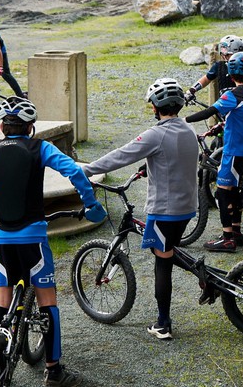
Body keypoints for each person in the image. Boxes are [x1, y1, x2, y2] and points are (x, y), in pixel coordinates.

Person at [0, 98, 106, 387]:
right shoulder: (40, 148)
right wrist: (90, 203)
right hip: (32, 238)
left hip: (1, 238)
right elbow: (74, 171)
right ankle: (54, 370)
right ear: (31, 128)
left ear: (2, 126)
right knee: (47, 298)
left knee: (1, 296)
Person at [82, 78, 198, 340]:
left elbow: (120, 156)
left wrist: (85, 169)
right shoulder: (188, 130)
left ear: (156, 107)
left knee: (162, 264)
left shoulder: (155, 135)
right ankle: (197, 272)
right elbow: (180, 157)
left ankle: (163, 323)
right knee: (166, 250)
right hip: (187, 207)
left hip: (165, 211)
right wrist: (152, 166)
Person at [185, 52, 243, 252]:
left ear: (230, 74)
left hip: (233, 152)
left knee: (223, 191)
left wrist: (184, 120)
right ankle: (237, 232)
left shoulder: (232, 96)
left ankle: (227, 237)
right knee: (236, 190)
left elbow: (210, 111)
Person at [184, 34, 243, 102]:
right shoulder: (219, 66)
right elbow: (206, 78)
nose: (223, 55)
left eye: (227, 53)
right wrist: (192, 90)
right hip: (225, 104)